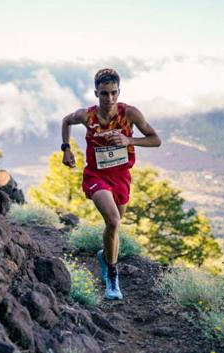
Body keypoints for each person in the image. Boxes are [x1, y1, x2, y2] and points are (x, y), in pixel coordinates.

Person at [60, 68, 161, 300]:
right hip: (96, 176)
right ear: (96, 93)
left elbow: (156, 140)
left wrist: (129, 139)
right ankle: (112, 279)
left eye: (114, 93)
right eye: (104, 93)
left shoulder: (130, 114)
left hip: (121, 176)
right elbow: (66, 121)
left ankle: (105, 256)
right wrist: (66, 149)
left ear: (119, 91)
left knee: (114, 227)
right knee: (113, 221)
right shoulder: (87, 116)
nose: (110, 99)